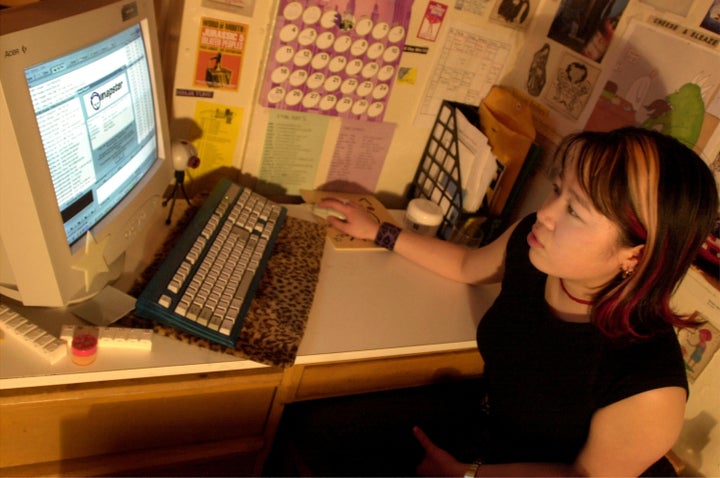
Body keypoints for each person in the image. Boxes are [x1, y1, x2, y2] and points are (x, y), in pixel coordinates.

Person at [311, 127, 718, 477]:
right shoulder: (535, 247)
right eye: (558, 190)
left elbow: (580, 476)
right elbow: (469, 265)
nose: (545, 213)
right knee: (320, 427)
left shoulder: (649, 388)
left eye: (574, 210)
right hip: (486, 432)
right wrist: (380, 232)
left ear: (635, 255)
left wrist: (465, 474)